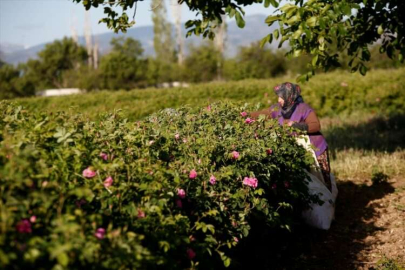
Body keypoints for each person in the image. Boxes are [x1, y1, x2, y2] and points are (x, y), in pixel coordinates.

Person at [250, 82, 332, 191]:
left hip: (315, 148)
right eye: (278, 97)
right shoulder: (277, 109)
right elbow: (263, 113)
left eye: (281, 97)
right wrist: (245, 115)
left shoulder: (304, 108)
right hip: (297, 149)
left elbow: (316, 125)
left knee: (322, 177)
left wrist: (296, 126)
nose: (279, 100)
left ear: (289, 96)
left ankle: (329, 202)